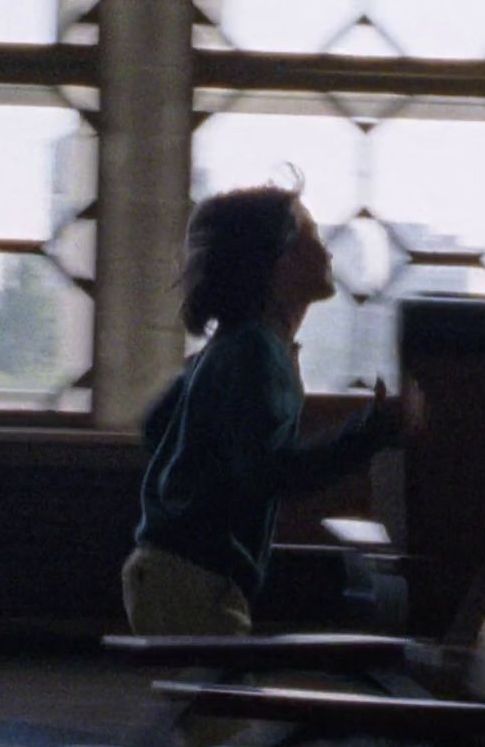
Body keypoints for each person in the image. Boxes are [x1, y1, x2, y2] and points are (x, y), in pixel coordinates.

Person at [122, 182, 408, 640]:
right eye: (310, 235)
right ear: (277, 261)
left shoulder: (232, 347)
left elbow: (158, 425)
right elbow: (273, 474)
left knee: (211, 706)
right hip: (198, 582)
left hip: (164, 572)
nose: (326, 251)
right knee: (226, 711)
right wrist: (372, 432)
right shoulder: (257, 351)